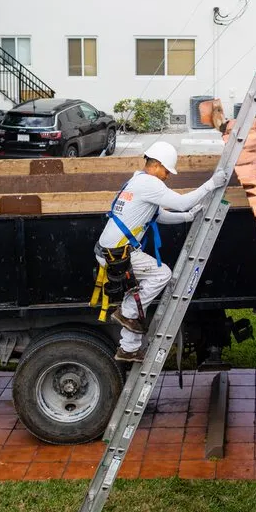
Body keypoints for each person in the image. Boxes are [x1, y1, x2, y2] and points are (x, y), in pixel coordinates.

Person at [96, 141, 228, 361]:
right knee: (162, 274)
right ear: (156, 165)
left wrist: (187, 217)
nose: (168, 176)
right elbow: (182, 202)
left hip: (112, 252)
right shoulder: (149, 183)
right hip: (118, 253)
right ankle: (126, 313)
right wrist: (211, 184)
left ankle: (128, 349)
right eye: (167, 171)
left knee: (137, 293)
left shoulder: (136, 181)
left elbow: (158, 215)